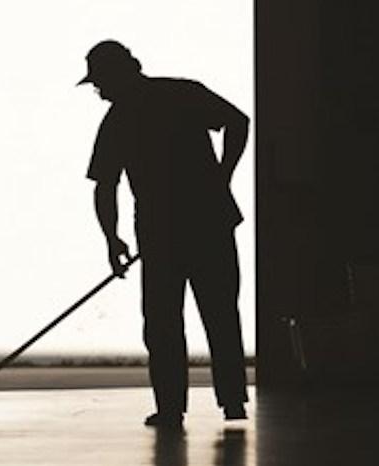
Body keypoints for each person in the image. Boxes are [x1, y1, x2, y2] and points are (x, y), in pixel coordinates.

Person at [78, 40, 249, 428]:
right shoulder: (183, 92)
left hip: (162, 232)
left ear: (119, 74)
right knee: (220, 313)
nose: (98, 90)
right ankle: (232, 400)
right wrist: (221, 177)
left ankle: (171, 408)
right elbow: (238, 122)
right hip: (208, 221)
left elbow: (105, 186)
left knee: (162, 322)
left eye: (100, 81)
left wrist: (112, 239)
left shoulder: (118, 120)